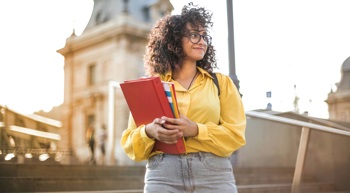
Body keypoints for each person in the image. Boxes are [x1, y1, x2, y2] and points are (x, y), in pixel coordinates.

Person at [121, 2, 246, 193]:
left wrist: (196, 130)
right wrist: (149, 132)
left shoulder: (221, 83)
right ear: (174, 39)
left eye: (204, 36)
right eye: (194, 34)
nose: (202, 41)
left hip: (213, 175)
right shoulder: (151, 86)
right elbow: (131, 144)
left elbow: (236, 136)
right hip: (163, 174)